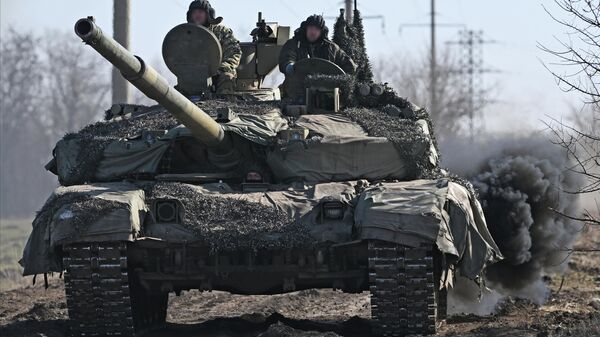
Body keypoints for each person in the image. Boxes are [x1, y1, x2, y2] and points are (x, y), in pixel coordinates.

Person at [186, 0, 241, 93]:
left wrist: (220, 69)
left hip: (220, 74)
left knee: (227, 78)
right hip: (195, 75)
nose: (197, 15)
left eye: (200, 12)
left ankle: (224, 104)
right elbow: (179, 56)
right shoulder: (187, 34)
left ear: (208, 14)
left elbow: (234, 52)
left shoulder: (221, 31)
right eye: (194, 12)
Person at [279, 15, 357, 77]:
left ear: (321, 32)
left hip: (327, 90)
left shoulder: (331, 48)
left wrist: (342, 79)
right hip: (299, 89)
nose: (313, 32)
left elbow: (349, 66)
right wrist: (289, 65)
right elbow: (287, 58)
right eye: (311, 28)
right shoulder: (294, 44)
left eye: (316, 29)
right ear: (305, 29)